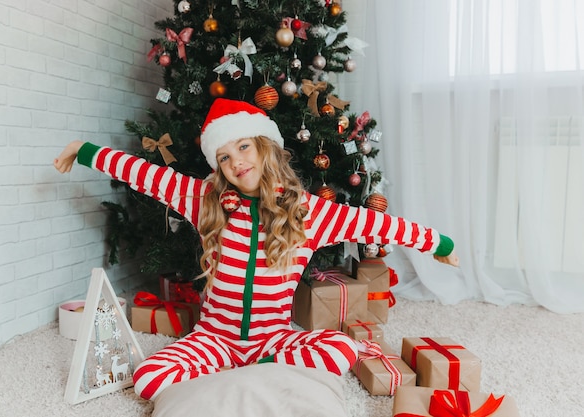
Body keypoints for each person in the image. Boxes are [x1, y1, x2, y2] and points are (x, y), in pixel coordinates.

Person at [54, 98, 459, 401]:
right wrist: (83, 150)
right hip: (215, 338)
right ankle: (244, 376)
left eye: (244, 147)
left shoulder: (309, 212)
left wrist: (440, 244)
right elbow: (145, 174)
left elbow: (378, 223)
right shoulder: (204, 199)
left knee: (341, 349)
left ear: (264, 146)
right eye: (224, 156)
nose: (236, 162)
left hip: (272, 339)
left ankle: (253, 373)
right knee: (147, 379)